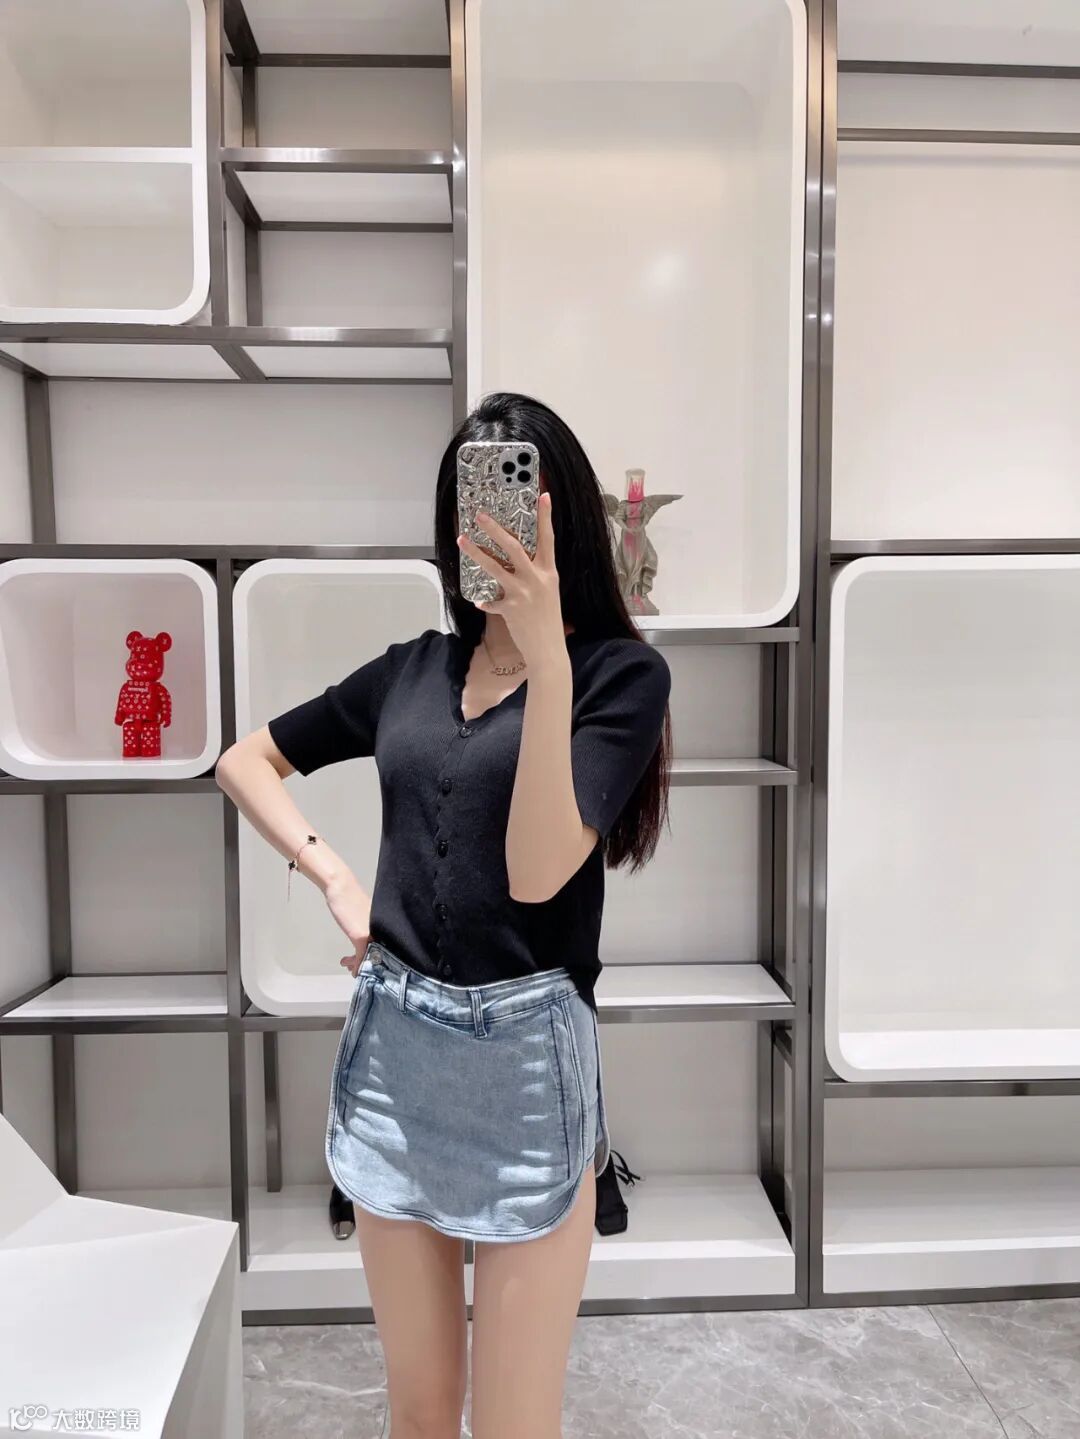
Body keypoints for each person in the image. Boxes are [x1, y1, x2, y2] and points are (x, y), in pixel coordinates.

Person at [216, 391, 672, 1439]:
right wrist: (335, 876)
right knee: (420, 1412)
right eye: (472, 509)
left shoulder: (619, 677)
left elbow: (536, 871)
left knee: (515, 1423)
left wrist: (547, 654)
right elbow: (246, 760)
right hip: (396, 1055)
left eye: (514, 504)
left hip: (529, 1066)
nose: (491, 533)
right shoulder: (413, 670)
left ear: (562, 519)